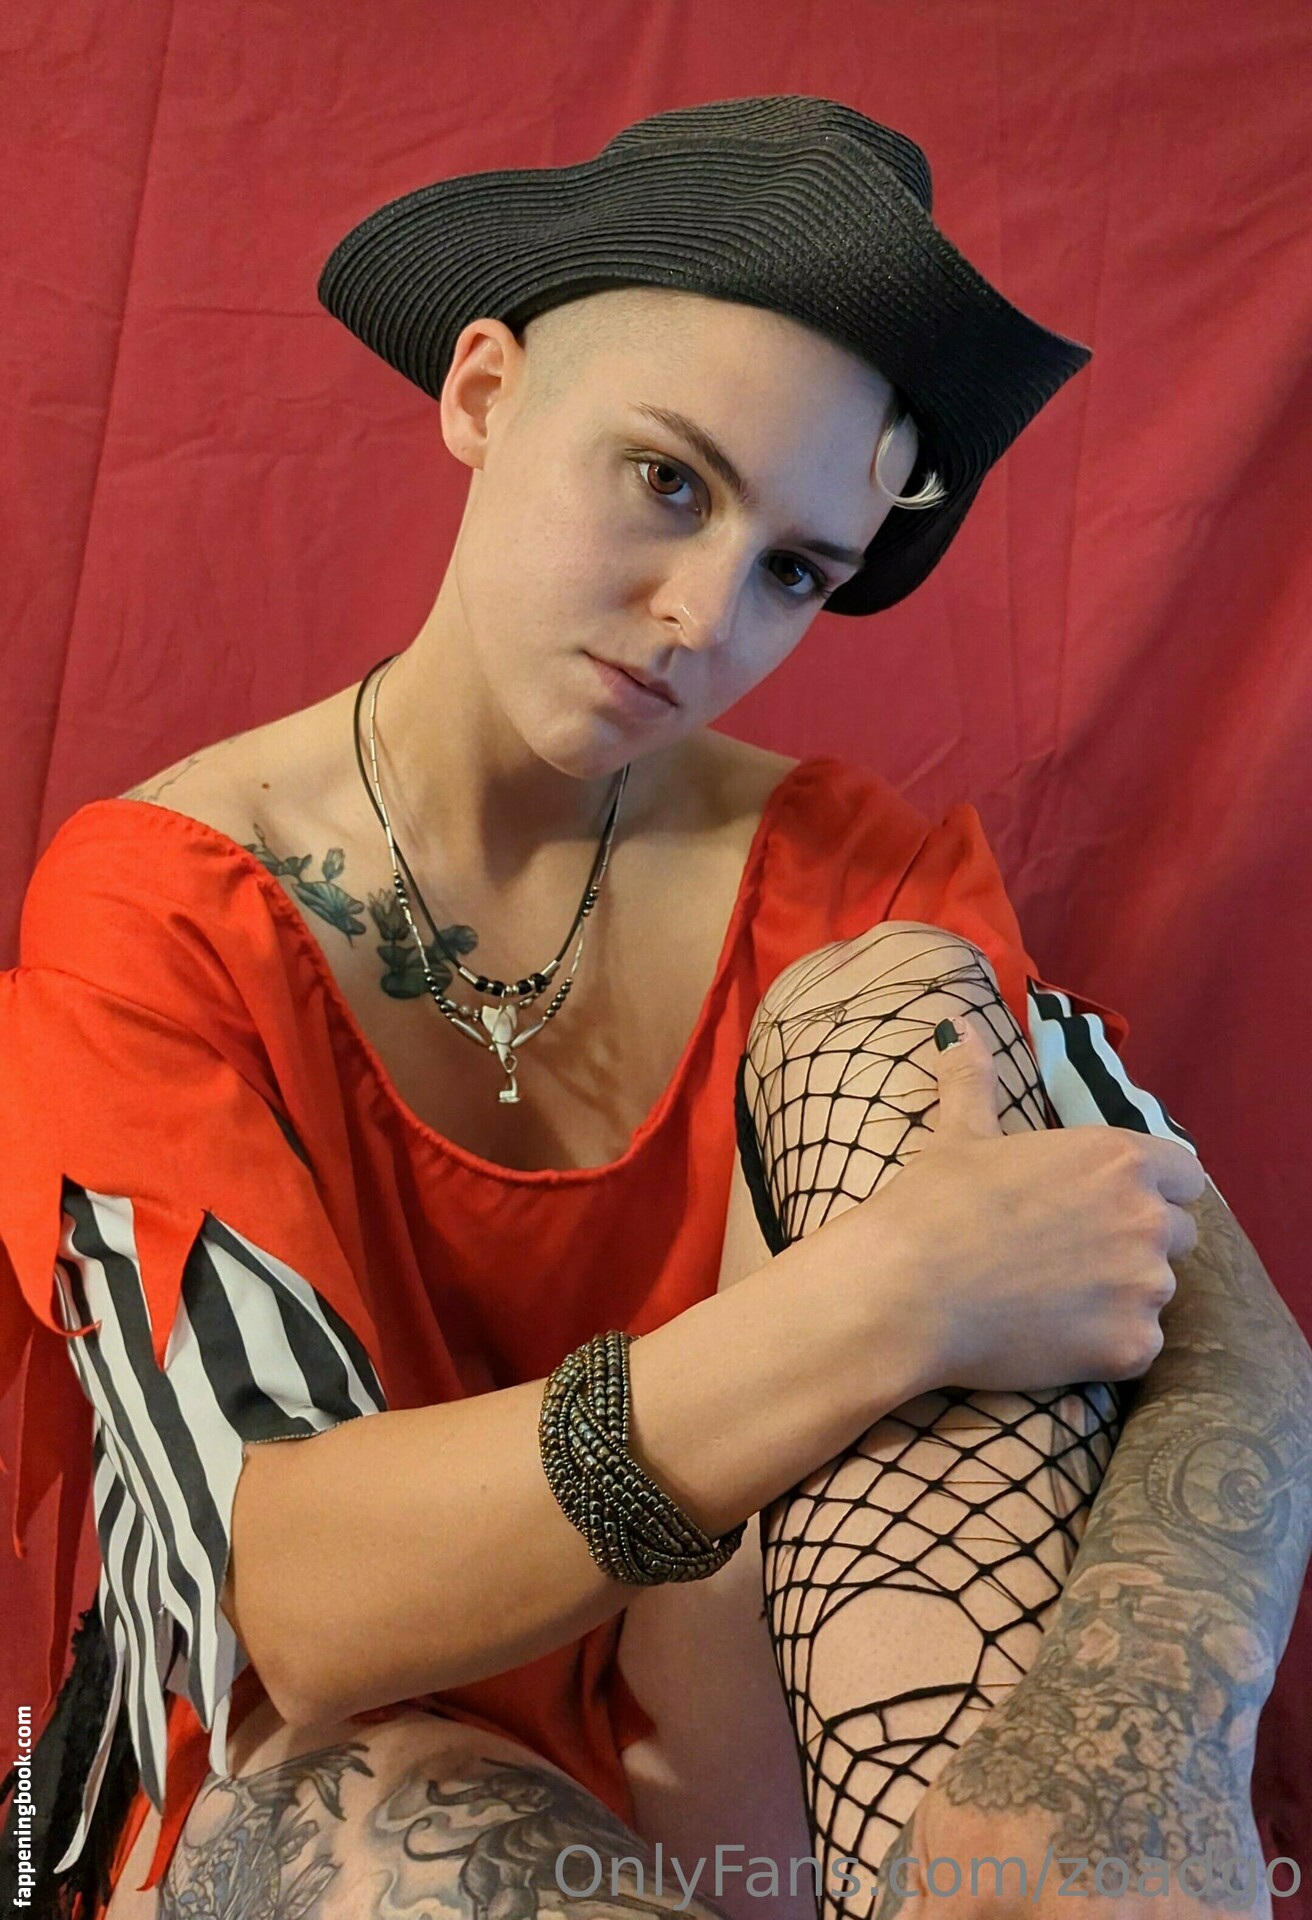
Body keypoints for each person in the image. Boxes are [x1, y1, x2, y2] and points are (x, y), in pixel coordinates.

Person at [1, 96, 1308, 1920]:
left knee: (894, 1005)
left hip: (753, 1772)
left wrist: (1135, 1732)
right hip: (316, 1785)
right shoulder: (166, 903)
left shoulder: (849, 873)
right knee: (382, 1801)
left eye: (794, 571)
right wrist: (892, 1296)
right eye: (669, 481)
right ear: (482, 392)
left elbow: (1213, 1312)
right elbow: (302, 1608)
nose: (705, 617)